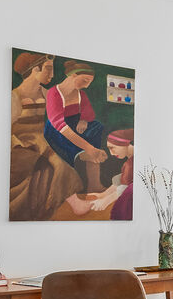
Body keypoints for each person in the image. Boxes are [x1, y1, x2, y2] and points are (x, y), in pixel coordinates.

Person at [10, 52, 83, 220]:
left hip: (41, 142)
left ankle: (60, 205)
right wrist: (18, 145)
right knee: (56, 165)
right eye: (48, 69)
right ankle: (75, 204)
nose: (52, 75)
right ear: (35, 69)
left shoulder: (46, 93)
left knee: (59, 162)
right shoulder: (15, 96)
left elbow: (58, 119)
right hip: (20, 145)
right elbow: (8, 130)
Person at [44, 60, 107, 191]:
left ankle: (94, 183)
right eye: (85, 80)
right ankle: (84, 153)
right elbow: (59, 124)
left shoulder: (81, 94)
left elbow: (88, 112)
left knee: (96, 127)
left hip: (76, 124)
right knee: (66, 139)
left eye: (89, 82)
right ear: (73, 75)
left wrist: (83, 120)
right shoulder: (54, 93)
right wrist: (89, 148)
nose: (87, 86)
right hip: (58, 128)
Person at [66, 129, 134, 219]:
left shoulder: (132, 163)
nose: (111, 153)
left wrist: (106, 201)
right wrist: (104, 195)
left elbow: (125, 187)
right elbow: (122, 179)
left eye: (112, 148)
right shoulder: (130, 161)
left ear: (124, 144)